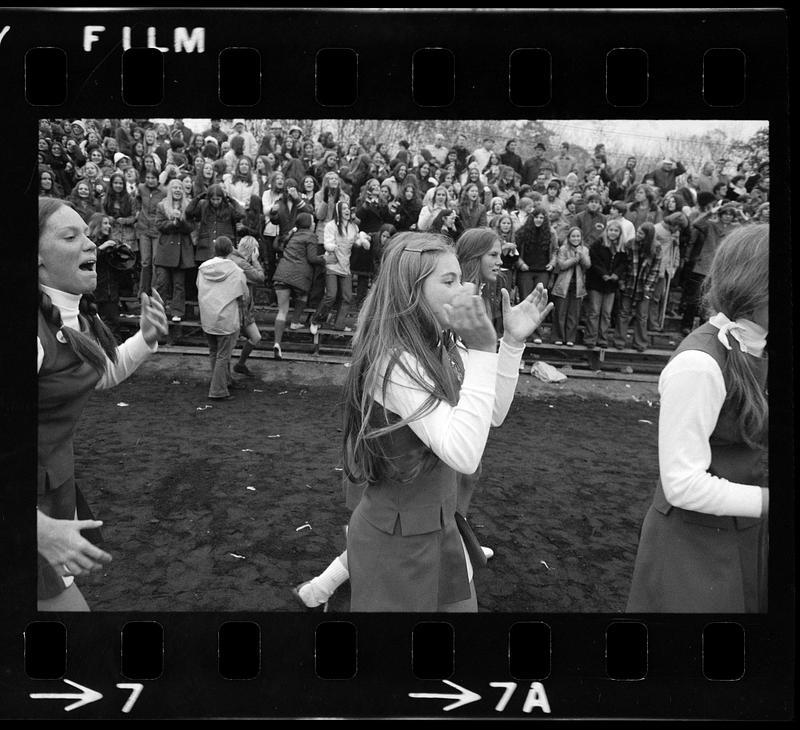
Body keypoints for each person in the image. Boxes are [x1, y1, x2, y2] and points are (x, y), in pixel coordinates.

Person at [341, 232, 552, 611]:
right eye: (449, 281)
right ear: (411, 290)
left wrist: (511, 342)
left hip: (439, 526)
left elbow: (494, 415)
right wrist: (486, 350)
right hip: (397, 540)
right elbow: (463, 455)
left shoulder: (442, 343)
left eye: (461, 278)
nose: (464, 288)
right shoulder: (393, 359)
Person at [627, 225, 769, 612]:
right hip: (695, 549)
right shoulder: (699, 364)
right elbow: (682, 485)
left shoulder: (759, 345)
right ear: (755, 286)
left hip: (745, 533)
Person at [37, 197, 168, 611]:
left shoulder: (76, 315)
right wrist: (38, 529)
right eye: (70, 236)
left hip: (51, 489)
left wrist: (146, 338)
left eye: (88, 234)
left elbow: (100, 374)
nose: (91, 244)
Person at [196, 236, 249, 400]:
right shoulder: (236, 270)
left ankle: (223, 381)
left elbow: (199, 286)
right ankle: (218, 390)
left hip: (208, 317)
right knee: (223, 355)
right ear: (231, 249)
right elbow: (244, 295)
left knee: (214, 352)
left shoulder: (203, 268)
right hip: (226, 318)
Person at [272, 212, 326, 357]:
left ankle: (277, 343)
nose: (314, 223)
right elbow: (312, 258)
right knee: (303, 295)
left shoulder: (293, 235)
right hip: (300, 276)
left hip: (282, 274)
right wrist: (325, 259)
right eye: (313, 221)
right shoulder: (311, 236)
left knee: (282, 311)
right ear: (309, 223)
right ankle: (295, 321)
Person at [613, 222, 661, 351]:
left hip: (644, 286)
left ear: (648, 236)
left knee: (642, 316)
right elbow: (624, 264)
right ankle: (619, 341)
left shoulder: (656, 248)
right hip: (629, 283)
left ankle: (640, 343)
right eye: (637, 232)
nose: (637, 235)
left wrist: (648, 288)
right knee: (623, 313)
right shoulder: (630, 244)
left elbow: (655, 271)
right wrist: (621, 282)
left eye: (641, 233)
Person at [229, 235, 265, 376]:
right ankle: (226, 379)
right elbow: (260, 277)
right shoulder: (242, 263)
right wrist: (255, 261)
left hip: (244, 310)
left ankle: (240, 365)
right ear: (252, 250)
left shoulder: (233, 258)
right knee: (229, 345)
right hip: (238, 310)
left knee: (255, 337)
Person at [551, 227, 591, 346]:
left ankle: (570, 338)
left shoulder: (585, 250)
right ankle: (558, 336)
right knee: (560, 312)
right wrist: (575, 259)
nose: (575, 238)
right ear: (569, 238)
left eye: (578, 236)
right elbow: (562, 265)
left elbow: (587, 265)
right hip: (563, 285)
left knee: (574, 314)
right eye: (573, 236)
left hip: (578, 286)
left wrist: (581, 255)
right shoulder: (563, 249)